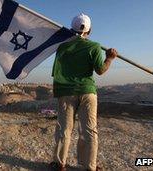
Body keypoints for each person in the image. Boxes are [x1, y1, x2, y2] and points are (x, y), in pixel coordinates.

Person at [50, 13, 118, 171]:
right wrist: (110, 58)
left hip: (66, 92)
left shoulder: (62, 47)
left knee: (64, 129)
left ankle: (59, 163)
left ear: (71, 28)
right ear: (90, 30)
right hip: (88, 92)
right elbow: (100, 70)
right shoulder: (94, 46)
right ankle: (90, 166)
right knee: (89, 129)